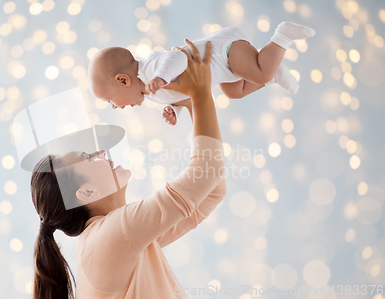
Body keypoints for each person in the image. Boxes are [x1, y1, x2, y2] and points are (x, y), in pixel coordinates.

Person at [30, 40, 226, 299]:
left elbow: (211, 189)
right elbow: (207, 175)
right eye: (88, 157)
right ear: (86, 191)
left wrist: (191, 102)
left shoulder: (120, 239)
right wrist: (200, 94)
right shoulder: (115, 237)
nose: (101, 153)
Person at [88, 21, 315, 125]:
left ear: (123, 80)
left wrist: (161, 77)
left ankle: (282, 37)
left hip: (224, 51)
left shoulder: (149, 70)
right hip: (225, 72)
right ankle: (273, 71)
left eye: (110, 100)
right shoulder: (149, 92)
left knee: (259, 74)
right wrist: (175, 110)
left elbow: (177, 57)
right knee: (235, 92)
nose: (114, 106)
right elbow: (183, 91)